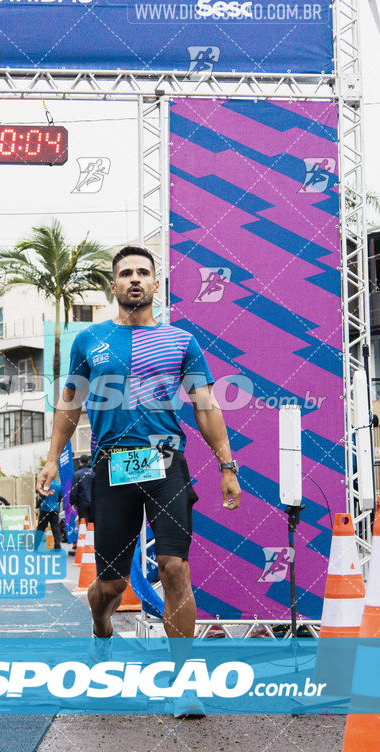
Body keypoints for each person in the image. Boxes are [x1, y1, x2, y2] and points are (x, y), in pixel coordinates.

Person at [36, 246, 241, 718]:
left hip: (167, 463)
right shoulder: (89, 340)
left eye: (142, 273)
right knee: (108, 587)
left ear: (155, 284)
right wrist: (52, 459)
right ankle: (101, 632)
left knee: (174, 567)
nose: (134, 279)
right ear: (113, 286)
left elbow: (206, 407)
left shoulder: (180, 341)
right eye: (125, 273)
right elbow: (69, 407)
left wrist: (227, 466)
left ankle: (184, 685)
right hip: (113, 469)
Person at [35, 477, 62, 550]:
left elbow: (41, 496)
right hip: (55, 509)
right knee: (55, 527)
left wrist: (37, 506)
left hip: (45, 509)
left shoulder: (46, 485)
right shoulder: (58, 485)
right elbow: (60, 497)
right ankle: (57, 545)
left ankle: (36, 546)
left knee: (41, 527)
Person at [70, 454, 95, 525]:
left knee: (83, 523)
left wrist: (72, 502)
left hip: (82, 503)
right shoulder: (93, 474)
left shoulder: (77, 474)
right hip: (93, 503)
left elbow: (74, 490)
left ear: (79, 461)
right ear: (88, 462)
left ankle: (85, 535)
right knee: (92, 524)